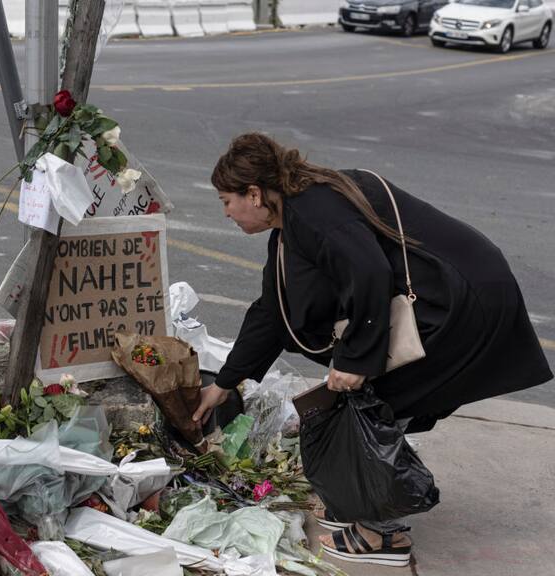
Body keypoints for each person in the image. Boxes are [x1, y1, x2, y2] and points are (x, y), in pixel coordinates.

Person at [192, 133, 553, 566]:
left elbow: (368, 272)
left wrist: (355, 359)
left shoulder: (315, 212)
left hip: (461, 300)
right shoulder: (296, 217)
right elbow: (273, 309)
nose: (226, 212)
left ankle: (383, 535)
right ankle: (363, 503)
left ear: (254, 193)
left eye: (226, 201)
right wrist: (226, 381)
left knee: (373, 405)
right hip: (452, 293)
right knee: (371, 401)